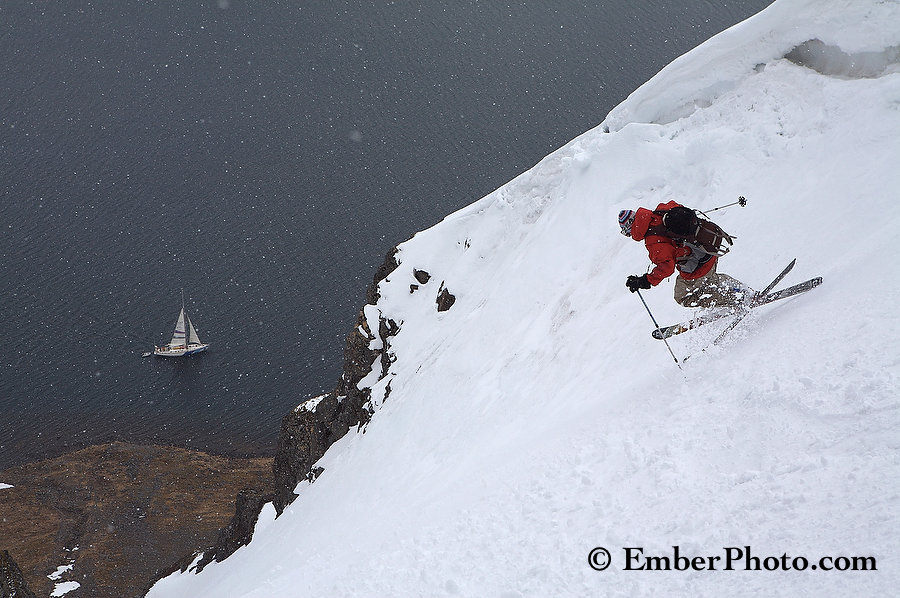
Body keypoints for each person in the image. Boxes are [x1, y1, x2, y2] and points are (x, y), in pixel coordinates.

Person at [618, 201, 755, 308]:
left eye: (627, 232)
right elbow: (682, 210)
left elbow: (666, 268)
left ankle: (737, 299)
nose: (629, 235)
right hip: (710, 245)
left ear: (630, 227)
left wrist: (645, 280)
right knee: (711, 279)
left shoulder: (653, 242)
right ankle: (743, 291)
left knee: (682, 296)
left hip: (698, 265)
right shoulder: (661, 209)